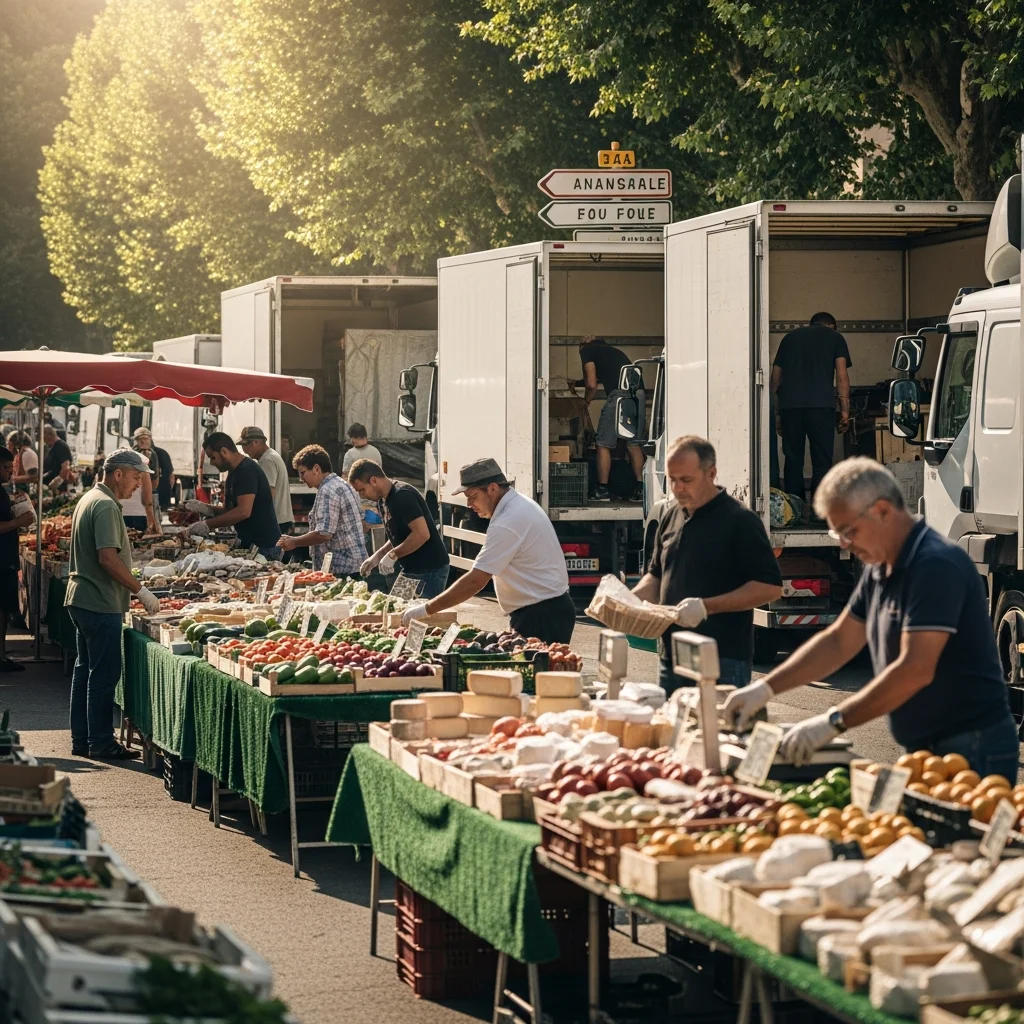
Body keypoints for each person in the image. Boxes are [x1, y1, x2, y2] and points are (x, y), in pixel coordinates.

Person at [722, 459, 1019, 778]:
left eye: (848, 531)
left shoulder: (935, 566)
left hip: (973, 745)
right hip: (926, 745)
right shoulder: (880, 567)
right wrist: (764, 689)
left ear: (882, 511)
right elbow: (838, 642)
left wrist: (834, 721)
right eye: (838, 534)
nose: (844, 544)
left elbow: (914, 669)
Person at [630, 436, 783, 692]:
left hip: (721, 660)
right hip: (671, 656)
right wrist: (628, 601)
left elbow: (770, 587)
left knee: (716, 720)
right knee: (671, 719)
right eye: (672, 479)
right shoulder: (671, 515)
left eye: (686, 480)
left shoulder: (740, 520)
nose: (677, 488)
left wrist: (706, 607)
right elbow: (656, 575)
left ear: (711, 473)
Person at [402, 458, 575, 643]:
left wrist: (426, 609)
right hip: (542, 609)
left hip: (542, 615)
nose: (469, 504)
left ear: (492, 488)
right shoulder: (517, 505)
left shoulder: (508, 520)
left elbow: (476, 580)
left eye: (473, 496)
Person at [65, 449, 162, 760]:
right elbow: (107, 558)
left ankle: (83, 740)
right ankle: (100, 742)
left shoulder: (90, 498)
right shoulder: (106, 505)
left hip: (82, 598)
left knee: (85, 671)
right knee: (103, 675)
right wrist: (140, 590)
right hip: (99, 601)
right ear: (118, 474)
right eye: (136, 477)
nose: (138, 484)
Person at [771, 311, 852, 508]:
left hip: (790, 407)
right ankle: (818, 511)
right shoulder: (835, 338)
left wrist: (777, 413)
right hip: (821, 407)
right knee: (822, 461)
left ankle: (794, 510)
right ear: (831, 326)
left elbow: (775, 379)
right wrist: (845, 412)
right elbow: (842, 376)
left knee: (793, 459)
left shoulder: (789, 338)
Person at [348, 459, 450, 597]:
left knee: (416, 610)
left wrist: (393, 555)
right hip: (410, 569)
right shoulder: (382, 501)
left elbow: (421, 534)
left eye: (362, 490)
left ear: (373, 480)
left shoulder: (402, 495)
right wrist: (378, 556)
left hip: (430, 569)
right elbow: (398, 535)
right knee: (395, 606)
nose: (362, 496)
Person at [186, 432, 281, 559]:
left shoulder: (246, 471)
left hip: (264, 546)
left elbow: (243, 512)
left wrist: (207, 525)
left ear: (224, 452)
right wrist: (206, 508)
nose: (212, 463)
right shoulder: (233, 473)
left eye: (213, 457)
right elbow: (229, 510)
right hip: (249, 543)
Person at [277, 445, 366, 574]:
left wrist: (295, 542)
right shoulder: (341, 484)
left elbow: (324, 533)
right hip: (353, 565)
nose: (301, 479)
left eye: (302, 473)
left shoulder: (328, 490)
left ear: (316, 469)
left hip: (342, 569)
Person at [579, 336, 644, 502]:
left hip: (619, 396)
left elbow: (591, 384)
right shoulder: (611, 352)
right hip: (637, 396)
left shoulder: (587, 350)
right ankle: (641, 489)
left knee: (603, 443)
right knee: (633, 443)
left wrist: (585, 402)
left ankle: (602, 490)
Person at [0, 448, 34, 672]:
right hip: (1, 560)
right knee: (1, 607)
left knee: (3, 607)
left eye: (11, 467)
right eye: (5, 468)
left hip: (6, 558)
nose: (10, 472)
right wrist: (18, 522)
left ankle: (1, 654)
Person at [237, 427, 293, 541]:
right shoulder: (272, 455)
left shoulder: (267, 460)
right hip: (281, 520)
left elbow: (268, 494)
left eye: (245, 445)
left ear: (256, 443)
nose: (244, 450)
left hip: (276, 521)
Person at [118, 429, 161, 536]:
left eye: (146, 439)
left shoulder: (118, 463)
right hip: (139, 512)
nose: (143, 442)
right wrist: (152, 521)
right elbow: (149, 496)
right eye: (141, 439)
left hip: (119, 512)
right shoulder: (144, 460)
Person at [42, 425, 73, 493]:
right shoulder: (52, 447)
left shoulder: (61, 446)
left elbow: (66, 468)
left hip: (57, 490)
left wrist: (55, 483)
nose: (43, 439)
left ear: (49, 435)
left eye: (43, 436)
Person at [152, 442, 174, 510]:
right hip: (162, 491)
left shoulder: (162, 453)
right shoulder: (163, 453)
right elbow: (171, 475)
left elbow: (170, 475)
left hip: (160, 490)